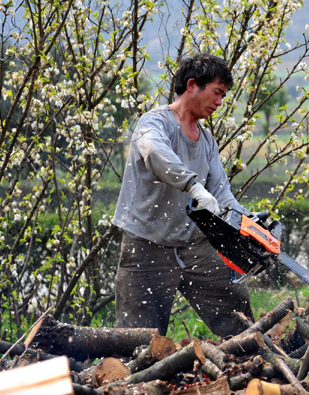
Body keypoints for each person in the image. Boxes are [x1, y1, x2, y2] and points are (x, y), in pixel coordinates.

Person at [112, 53, 254, 337]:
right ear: (192, 85)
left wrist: (248, 225)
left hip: (195, 246)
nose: (220, 102)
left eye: (224, 96)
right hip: (147, 245)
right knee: (138, 339)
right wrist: (193, 186)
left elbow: (222, 192)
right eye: (217, 93)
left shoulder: (207, 141)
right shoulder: (153, 123)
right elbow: (155, 153)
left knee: (240, 320)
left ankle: (255, 359)